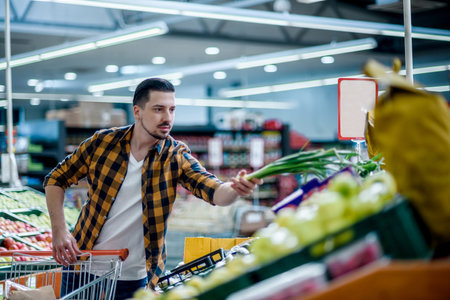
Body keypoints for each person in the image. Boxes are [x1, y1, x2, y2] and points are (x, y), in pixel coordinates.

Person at [44, 77, 262, 299]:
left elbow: (215, 191)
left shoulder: (175, 155)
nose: (167, 118)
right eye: (158, 109)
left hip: (134, 278)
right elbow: (55, 179)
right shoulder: (103, 143)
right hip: (82, 266)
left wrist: (236, 188)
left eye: (172, 109)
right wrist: (59, 230)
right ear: (137, 112)